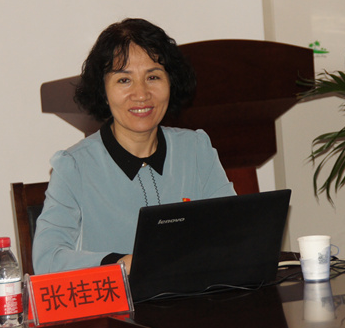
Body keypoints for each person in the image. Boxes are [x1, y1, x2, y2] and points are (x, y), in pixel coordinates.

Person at [32, 18, 236, 275]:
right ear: (103, 90)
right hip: (117, 300)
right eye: (124, 80)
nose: (141, 94)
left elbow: (234, 231)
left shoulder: (196, 150)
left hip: (193, 296)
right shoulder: (74, 166)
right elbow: (47, 260)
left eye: (153, 76)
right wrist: (123, 264)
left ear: (171, 82)